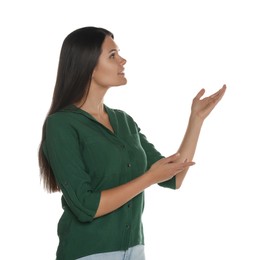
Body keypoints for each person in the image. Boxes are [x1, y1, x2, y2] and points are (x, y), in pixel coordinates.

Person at [38, 26, 226, 260]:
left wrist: (196, 119)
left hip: (135, 250)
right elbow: (86, 207)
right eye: (112, 55)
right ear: (87, 65)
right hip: (88, 253)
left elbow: (173, 177)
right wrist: (149, 178)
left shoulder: (123, 121)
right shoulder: (61, 125)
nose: (123, 60)